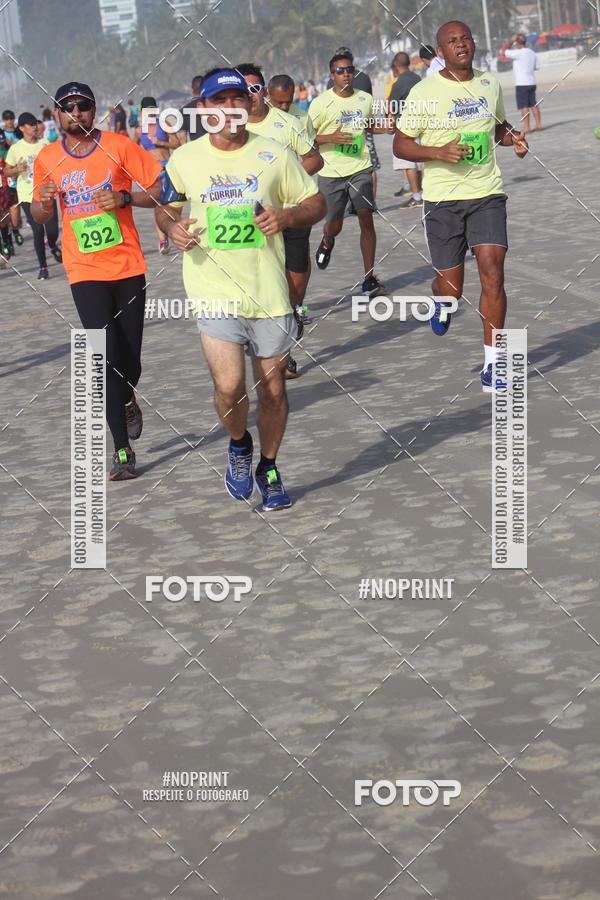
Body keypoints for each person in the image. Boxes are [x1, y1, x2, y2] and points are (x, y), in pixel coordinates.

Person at [155, 67, 325, 510]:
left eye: (237, 99)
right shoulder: (185, 159)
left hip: (268, 291)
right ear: (203, 109)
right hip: (213, 289)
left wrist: (286, 217)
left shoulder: (274, 154)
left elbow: (315, 202)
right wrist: (172, 227)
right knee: (230, 386)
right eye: (218, 101)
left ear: (247, 105)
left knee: (272, 391)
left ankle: (268, 466)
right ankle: (237, 443)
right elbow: (164, 208)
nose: (229, 108)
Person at [32, 82, 163, 479]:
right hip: (83, 271)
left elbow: (160, 188)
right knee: (104, 359)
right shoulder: (48, 158)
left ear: (94, 110)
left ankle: (126, 397)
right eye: (68, 106)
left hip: (127, 266)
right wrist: (42, 204)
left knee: (131, 358)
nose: (77, 112)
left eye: (84, 105)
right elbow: (40, 216)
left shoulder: (120, 146)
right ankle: (122, 451)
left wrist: (124, 199)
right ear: (57, 114)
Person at [394, 21, 528, 392]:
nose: (461, 45)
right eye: (452, 42)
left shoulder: (489, 83)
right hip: (442, 200)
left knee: (493, 271)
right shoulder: (424, 92)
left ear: (473, 44)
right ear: (441, 52)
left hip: (486, 193)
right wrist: (437, 152)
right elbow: (401, 145)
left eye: (465, 39)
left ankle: (493, 364)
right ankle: (441, 300)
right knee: (453, 288)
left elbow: (497, 126)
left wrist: (512, 139)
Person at [239, 63, 323, 380]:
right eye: (243, 90)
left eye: (255, 88)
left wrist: (290, 179)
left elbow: (315, 157)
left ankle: (288, 323)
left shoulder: (287, 123)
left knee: (295, 287)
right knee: (262, 287)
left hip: (291, 213)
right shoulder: (229, 130)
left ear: (264, 91)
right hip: (251, 223)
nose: (251, 95)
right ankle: (278, 352)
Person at [309, 51, 386, 296]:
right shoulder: (321, 103)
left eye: (350, 70)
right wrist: (330, 137)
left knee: (366, 216)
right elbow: (305, 137)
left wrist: (387, 127)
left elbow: (370, 125)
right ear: (332, 76)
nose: (346, 74)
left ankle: (369, 277)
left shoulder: (364, 99)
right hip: (331, 173)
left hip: (360, 169)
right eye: (340, 71)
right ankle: (327, 241)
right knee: (334, 225)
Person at [5, 112, 61, 279]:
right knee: (37, 232)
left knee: (52, 231)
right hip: (28, 196)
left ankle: (52, 245)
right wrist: (16, 170)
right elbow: (7, 170)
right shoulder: (16, 149)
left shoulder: (45, 144)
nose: (35, 127)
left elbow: (57, 163)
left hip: (47, 193)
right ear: (22, 128)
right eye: (30, 124)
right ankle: (43, 267)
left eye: (35, 123)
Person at [325, 47, 380, 200]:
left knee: (348, 162)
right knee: (370, 165)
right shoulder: (363, 77)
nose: (345, 73)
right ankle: (370, 200)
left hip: (343, 127)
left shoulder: (332, 80)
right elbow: (369, 99)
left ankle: (356, 198)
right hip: (362, 125)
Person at [134, 95, 178, 254]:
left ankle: (173, 231)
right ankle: (162, 241)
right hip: (152, 172)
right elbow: (134, 151)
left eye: (152, 110)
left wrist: (161, 143)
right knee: (158, 204)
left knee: (172, 204)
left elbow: (177, 143)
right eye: (146, 110)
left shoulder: (164, 124)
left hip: (168, 168)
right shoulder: (139, 131)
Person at [388, 51, 422, 207]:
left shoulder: (398, 83)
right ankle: (423, 193)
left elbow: (393, 107)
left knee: (408, 163)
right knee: (421, 161)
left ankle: (416, 197)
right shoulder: (418, 78)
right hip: (422, 123)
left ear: (396, 65)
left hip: (406, 127)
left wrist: (390, 124)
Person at [503, 33, 541, 133]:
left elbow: (504, 52)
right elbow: (536, 67)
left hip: (521, 83)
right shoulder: (532, 52)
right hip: (532, 81)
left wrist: (511, 41)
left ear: (517, 43)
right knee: (533, 104)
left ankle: (527, 127)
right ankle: (538, 124)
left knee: (524, 106)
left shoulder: (518, 53)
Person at [2, 109, 23, 250]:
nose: (9, 121)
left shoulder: (18, 133)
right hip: (6, 172)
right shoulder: (2, 135)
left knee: (16, 207)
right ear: (4, 120)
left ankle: (15, 229)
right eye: (7, 119)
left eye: (11, 118)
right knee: (7, 206)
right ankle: (9, 238)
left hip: (20, 171)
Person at [178, 75, 207, 142]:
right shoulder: (212, 105)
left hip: (196, 149)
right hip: (215, 149)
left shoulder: (183, 110)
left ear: (192, 89)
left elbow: (182, 138)